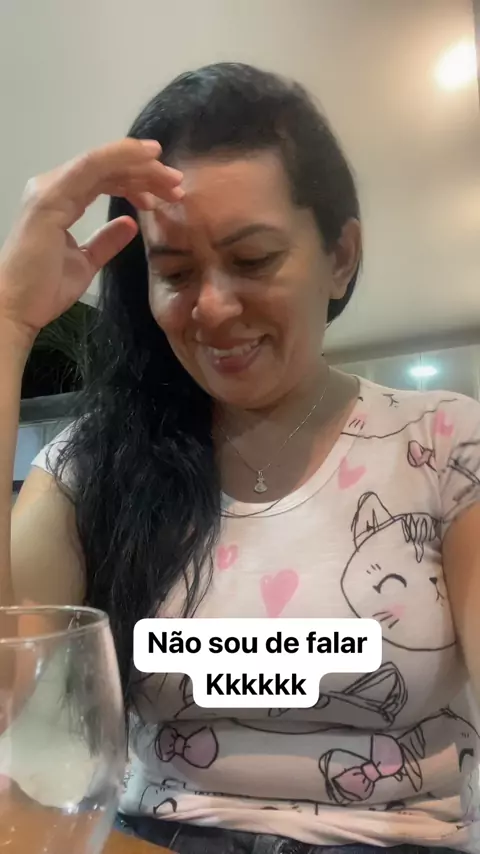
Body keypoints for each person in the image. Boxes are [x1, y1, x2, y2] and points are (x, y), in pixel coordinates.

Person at [0, 62, 479, 854]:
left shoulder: (446, 447)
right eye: (176, 273)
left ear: (340, 256)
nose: (214, 307)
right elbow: (6, 692)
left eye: (253, 260)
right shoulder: (92, 465)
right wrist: (9, 322)